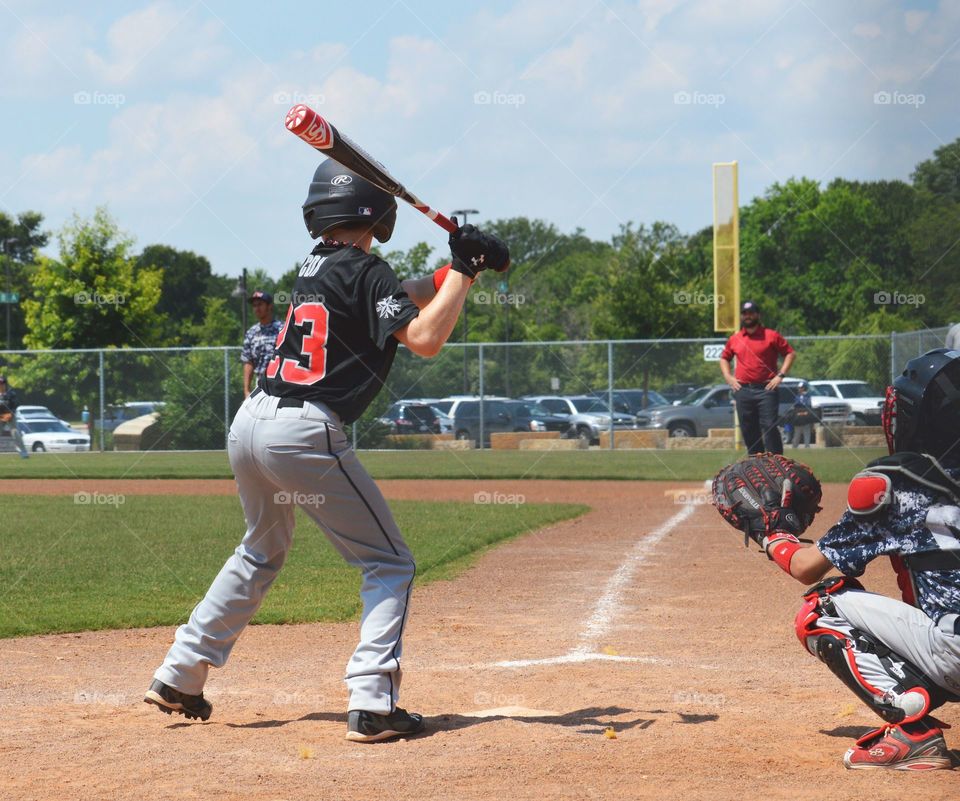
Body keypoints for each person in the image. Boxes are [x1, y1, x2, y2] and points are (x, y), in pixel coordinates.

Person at [144, 159, 509, 742]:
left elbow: (406, 296)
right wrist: (465, 268)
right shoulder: (366, 270)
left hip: (251, 424)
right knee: (389, 562)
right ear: (375, 212)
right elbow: (426, 337)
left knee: (260, 553)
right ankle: (373, 703)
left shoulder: (316, 266)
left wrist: (462, 271)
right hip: (303, 433)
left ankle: (180, 673)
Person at [757, 348, 960, 769]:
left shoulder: (899, 485)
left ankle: (913, 731)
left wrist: (772, 534)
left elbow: (805, 566)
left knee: (823, 607)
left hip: (955, 653)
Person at [720, 301, 795, 454]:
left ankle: (776, 463)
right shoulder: (735, 338)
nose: (748, 316)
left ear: (758, 315)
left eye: (751, 312)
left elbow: (790, 353)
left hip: (766, 389)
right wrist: (728, 377)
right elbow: (724, 358)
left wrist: (780, 375)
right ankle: (756, 463)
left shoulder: (771, 335)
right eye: (745, 313)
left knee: (769, 425)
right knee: (748, 428)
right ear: (741, 316)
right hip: (743, 389)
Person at [240, 290, 283, 398]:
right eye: (254, 305)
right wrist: (246, 390)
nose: (257, 308)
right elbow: (248, 362)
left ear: (269, 306)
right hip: (260, 384)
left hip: (281, 383)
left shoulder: (282, 329)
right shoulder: (251, 332)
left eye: (260, 304)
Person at [0, 375, 28, 459]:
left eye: (2, 383)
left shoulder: (11, 393)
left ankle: (23, 452)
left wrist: (9, 406)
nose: (1, 385)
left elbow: (16, 403)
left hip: (10, 415)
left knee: (15, 432)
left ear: (5, 384)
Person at [790, 383, 816, 447]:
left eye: (800, 388)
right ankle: (795, 446)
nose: (799, 389)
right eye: (799, 388)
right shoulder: (797, 396)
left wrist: (805, 412)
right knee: (797, 432)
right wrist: (797, 412)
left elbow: (809, 405)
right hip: (798, 417)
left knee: (806, 432)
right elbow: (795, 406)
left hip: (805, 416)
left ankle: (807, 445)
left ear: (804, 388)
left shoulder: (807, 396)